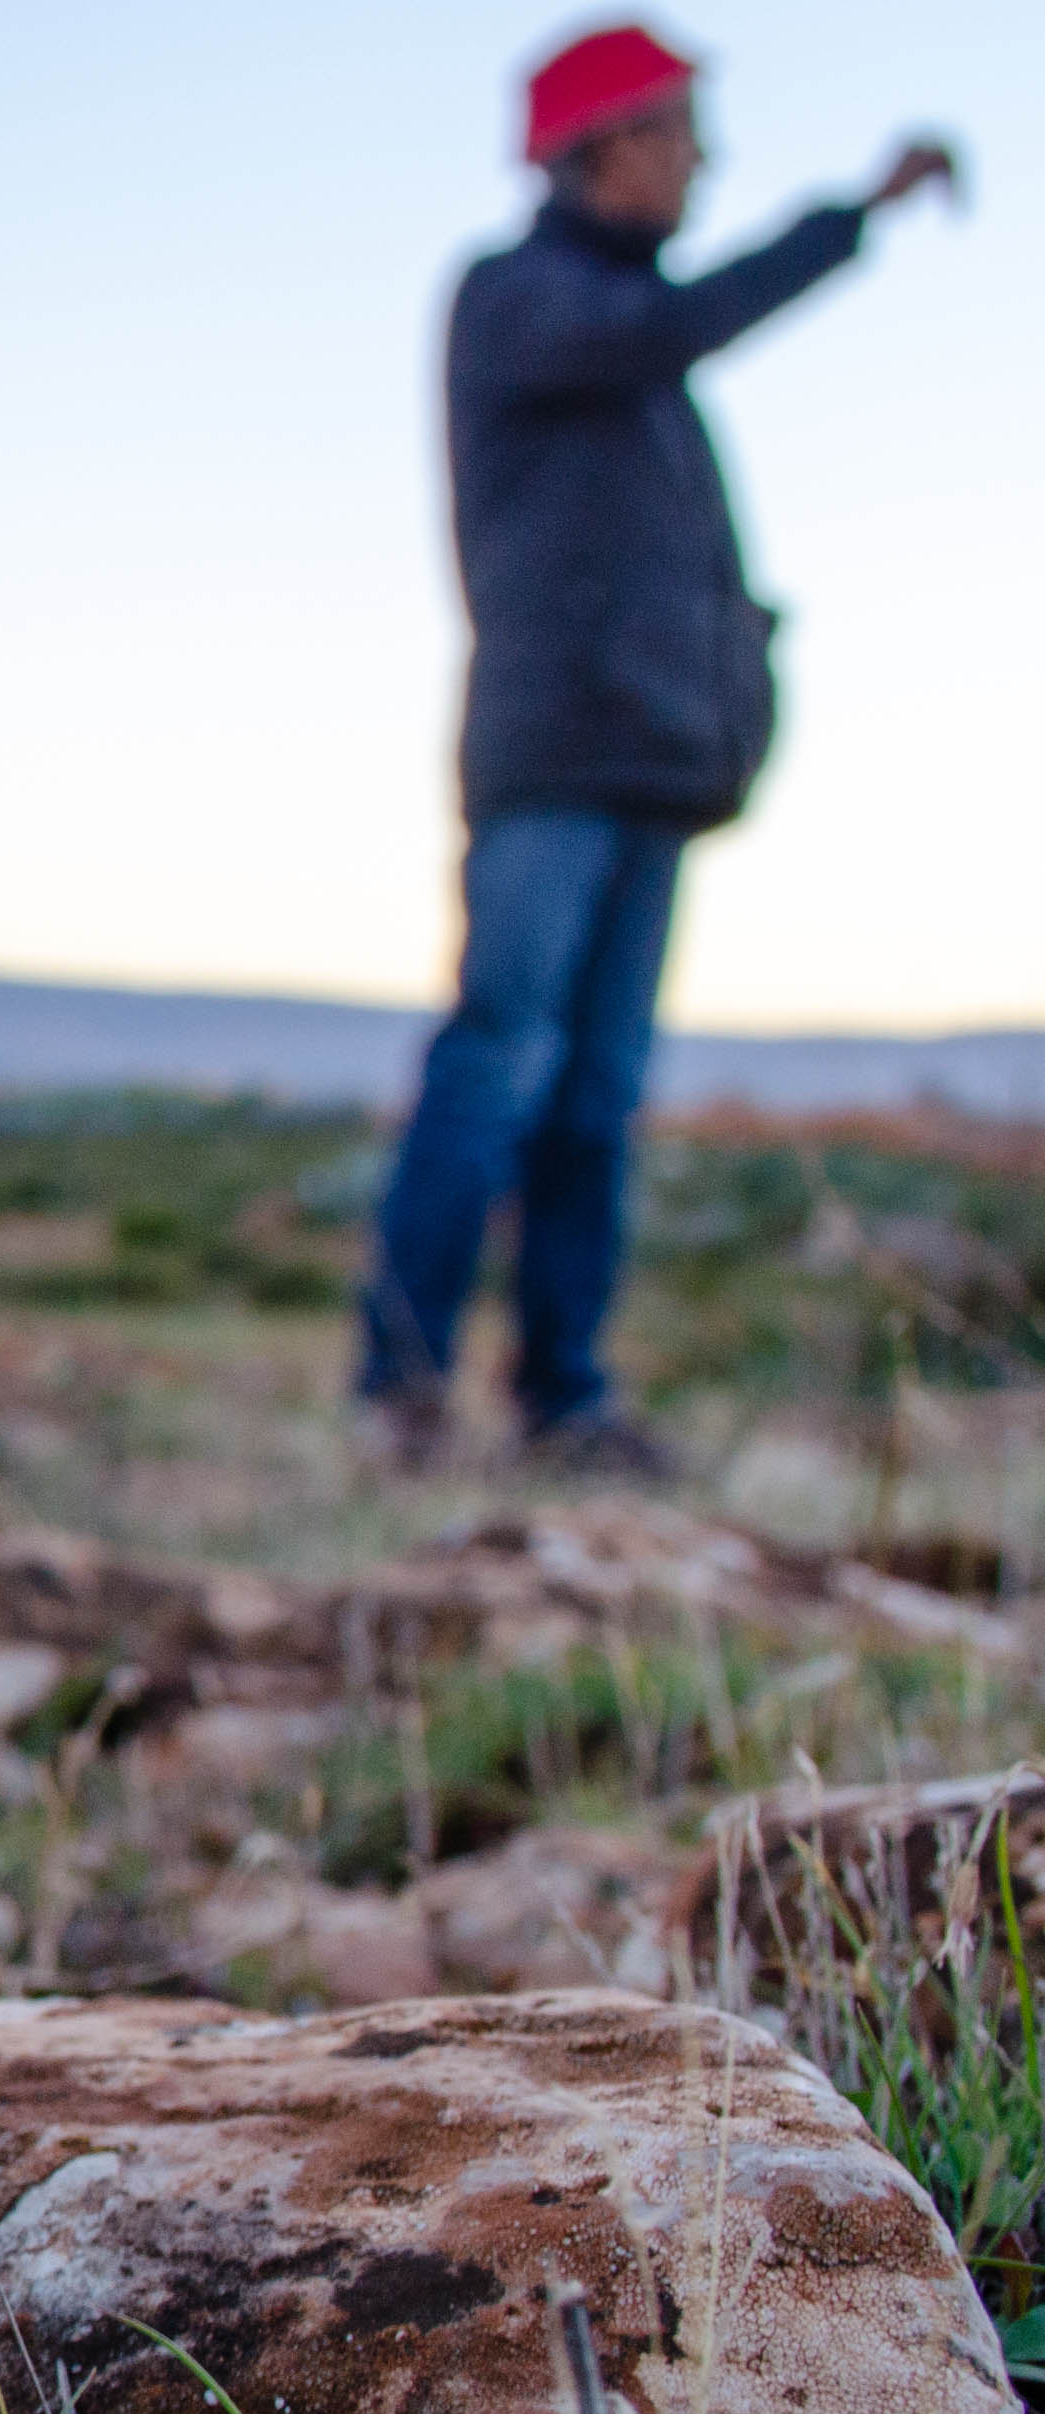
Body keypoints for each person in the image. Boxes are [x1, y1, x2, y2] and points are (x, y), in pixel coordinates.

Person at [355, 23, 958, 1479]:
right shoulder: (520, 302)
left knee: (596, 1097)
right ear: (599, 143)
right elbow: (665, 325)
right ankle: (404, 1394)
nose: (699, 164)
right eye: (678, 134)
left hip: (645, 770)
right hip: (553, 765)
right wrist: (852, 217)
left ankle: (562, 1399)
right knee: (498, 1061)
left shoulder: (626, 360)